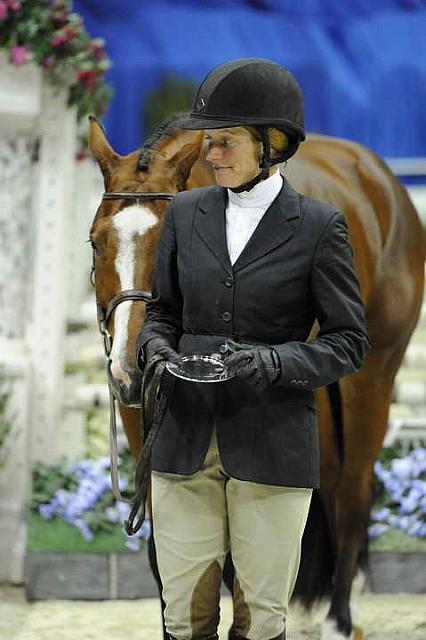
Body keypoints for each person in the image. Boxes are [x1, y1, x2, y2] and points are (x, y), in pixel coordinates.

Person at [136, 58, 371, 640]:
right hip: (184, 437)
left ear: (273, 144)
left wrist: (273, 361)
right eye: (209, 141)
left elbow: (348, 342)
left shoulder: (319, 227)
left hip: (272, 441)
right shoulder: (185, 214)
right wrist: (156, 351)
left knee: (260, 615)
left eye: (225, 141)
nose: (210, 154)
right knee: (182, 616)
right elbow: (160, 312)